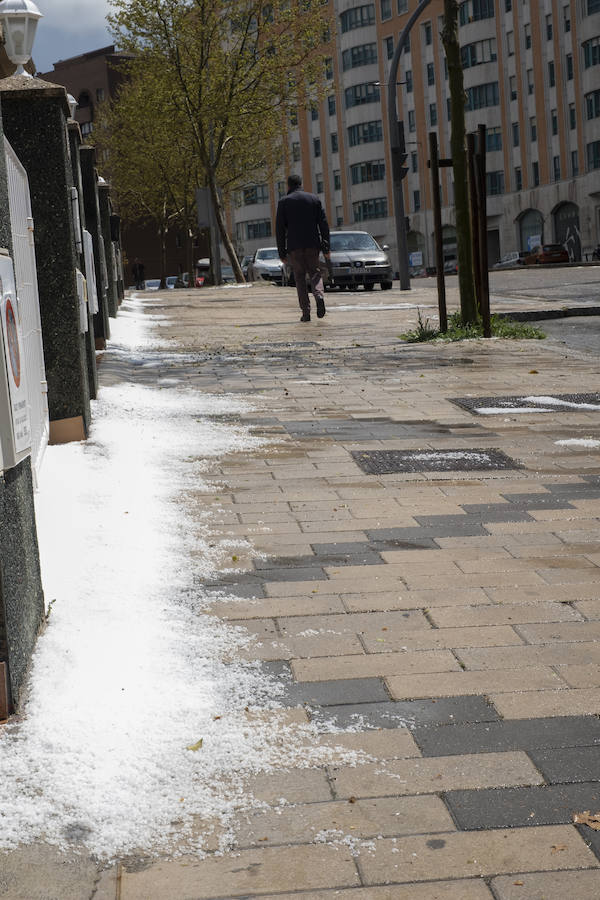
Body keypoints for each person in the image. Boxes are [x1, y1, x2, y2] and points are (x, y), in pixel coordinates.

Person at [276, 174, 330, 322]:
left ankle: (306, 313)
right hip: (313, 244)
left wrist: (281, 252)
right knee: (315, 273)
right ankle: (319, 295)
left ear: (288, 186)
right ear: (301, 184)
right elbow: (323, 224)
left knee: (299, 277)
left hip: (294, 246)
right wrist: (326, 246)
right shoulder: (314, 199)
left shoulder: (284, 202)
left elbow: (280, 229)